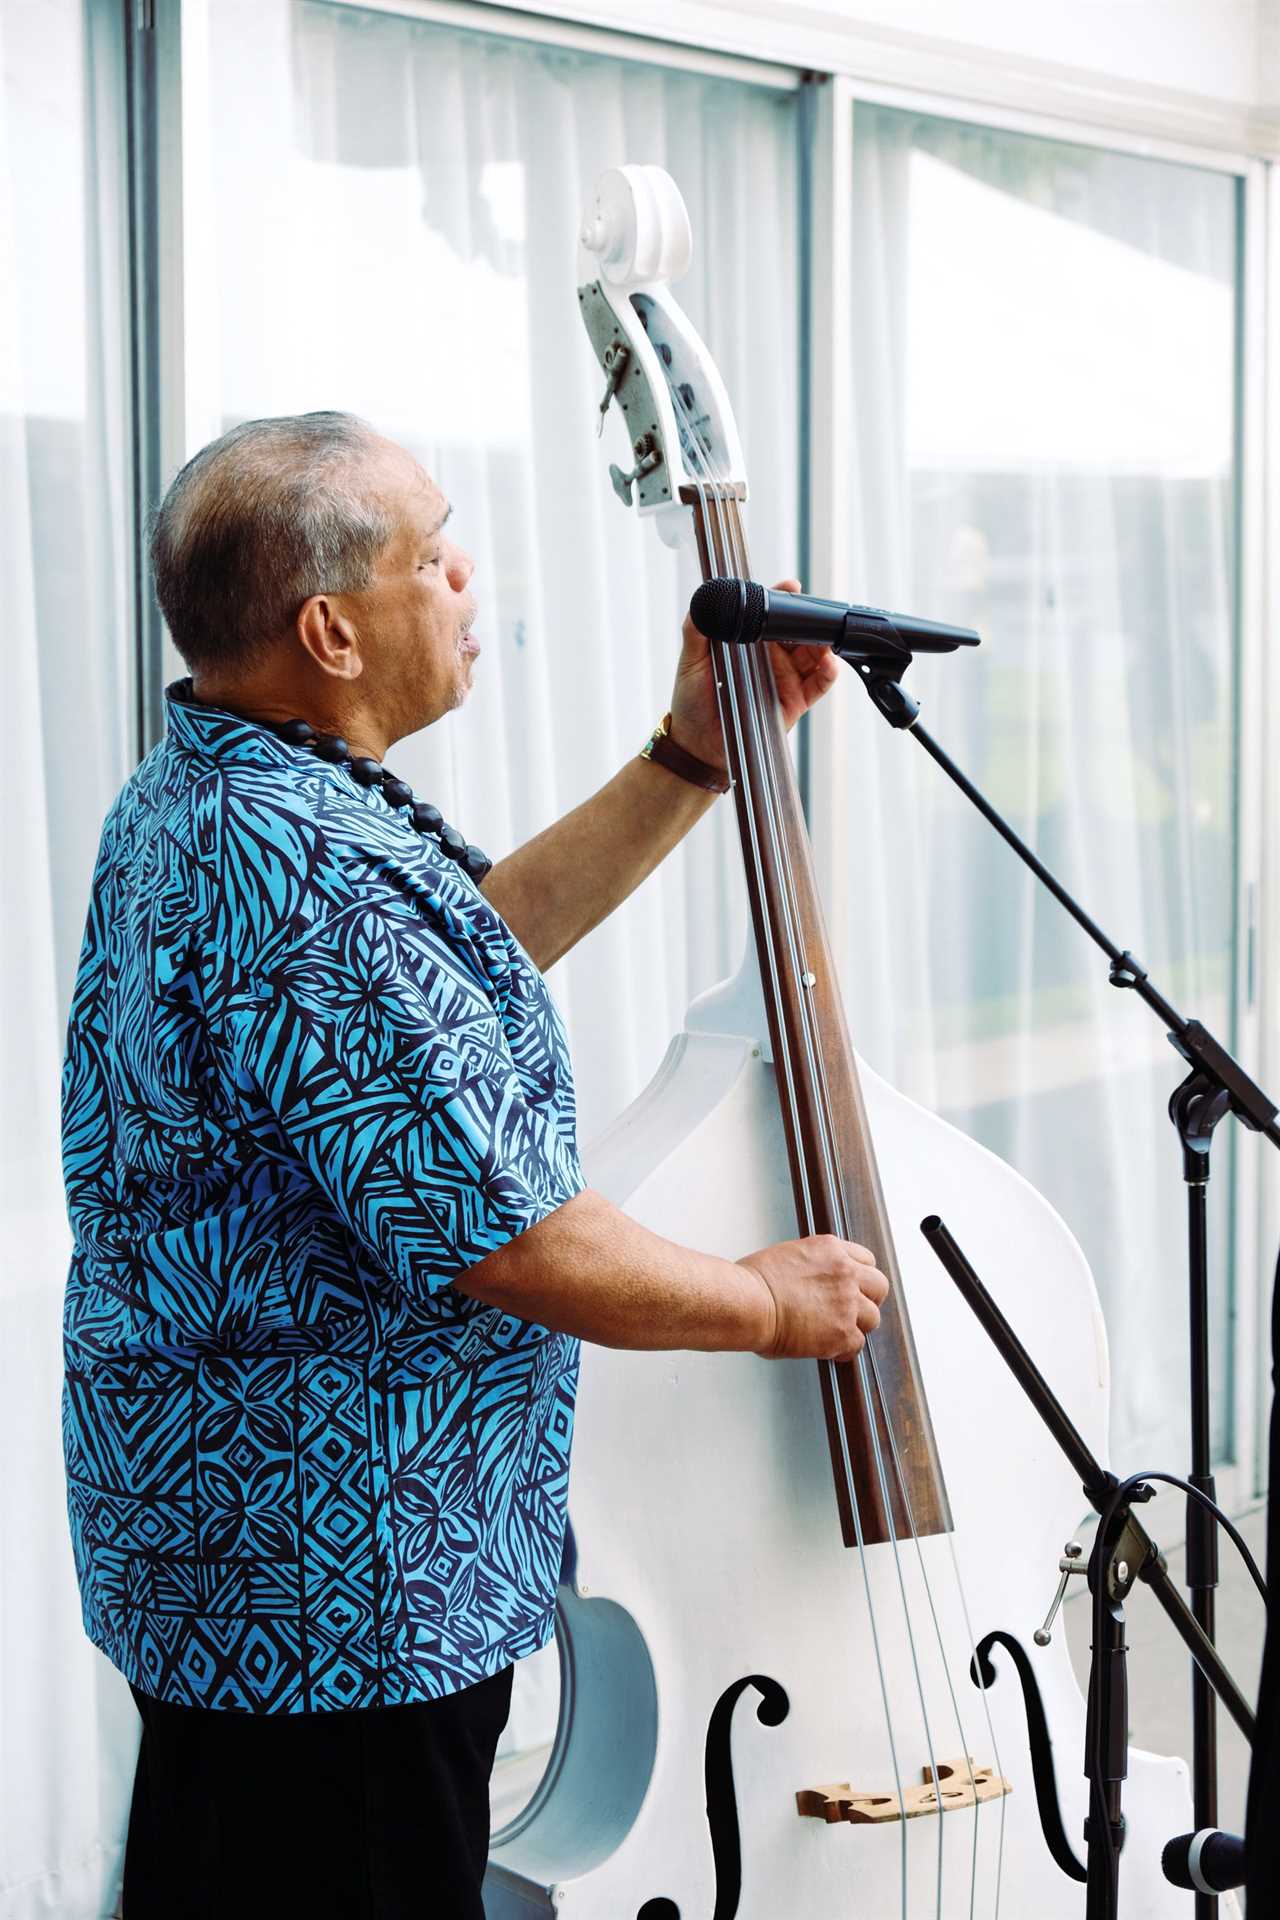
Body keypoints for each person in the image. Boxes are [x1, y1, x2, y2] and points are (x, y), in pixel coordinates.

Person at [59, 410, 888, 1919]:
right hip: (333, 1603)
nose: (464, 577)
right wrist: (765, 1299)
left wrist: (695, 755)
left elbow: (463, 962)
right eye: (426, 555)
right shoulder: (304, 875)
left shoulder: (218, 794)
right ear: (330, 630)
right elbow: (511, 1240)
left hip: (244, 1575)